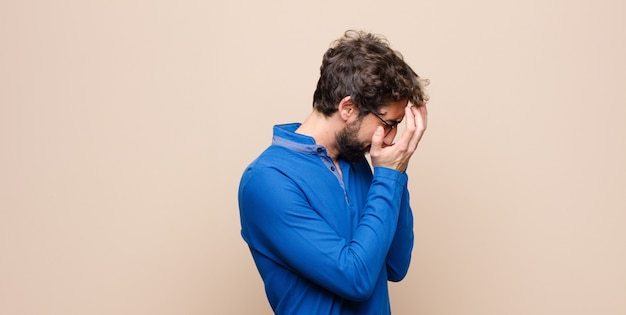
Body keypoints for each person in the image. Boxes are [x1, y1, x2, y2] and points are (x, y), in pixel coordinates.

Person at [238, 30, 429, 315]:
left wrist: (397, 172)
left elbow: (395, 265)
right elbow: (356, 279)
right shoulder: (268, 180)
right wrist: (388, 177)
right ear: (348, 108)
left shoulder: (360, 163)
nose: (390, 139)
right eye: (388, 123)